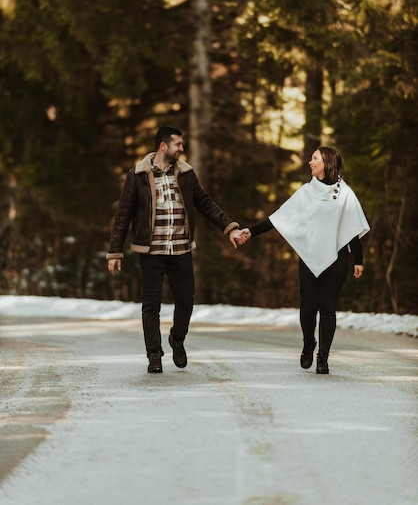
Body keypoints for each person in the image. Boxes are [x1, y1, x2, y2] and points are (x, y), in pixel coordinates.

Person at [107, 126, 241, 374]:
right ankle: (154, 355)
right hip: (151, 252)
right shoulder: (137, 176)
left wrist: (229, 227)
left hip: (180, 250)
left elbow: (205, 203)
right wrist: (115, 252)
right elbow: (122, 216)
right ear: (163, 146)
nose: (182, 148)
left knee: (185, 302)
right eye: (178, 144)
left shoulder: (186, 174)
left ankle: (177, 339)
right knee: (151, 306)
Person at [234, 147, 370, 375]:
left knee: (328, 308)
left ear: (327, 162)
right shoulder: (306, 192)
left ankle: (323, 358)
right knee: (308, 309)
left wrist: (359, 259)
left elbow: (351, 229)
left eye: (314, 158)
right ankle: (309, 342)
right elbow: (279, 216)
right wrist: (252, 231)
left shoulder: (345, 193)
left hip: (337, 258)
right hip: (309, 258)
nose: (310, 162)